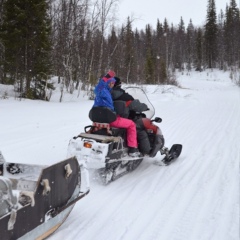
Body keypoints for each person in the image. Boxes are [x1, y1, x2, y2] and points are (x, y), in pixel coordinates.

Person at [92, 71, 140, 157]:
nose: (112, 85)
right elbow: (99, 86)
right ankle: (133, 149)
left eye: (113, 83)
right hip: (109, 119)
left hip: (101, 117)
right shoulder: (102, 91)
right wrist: (106, 77)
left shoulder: (108, 92)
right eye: (111, 83)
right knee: (132, 124)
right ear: (107, 83)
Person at [111, 77, 152, 155]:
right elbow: (136, 106)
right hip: (119, 120)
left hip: (106, 119)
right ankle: (136, 149)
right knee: (139, 129)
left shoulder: (106, 94)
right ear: (118, 85)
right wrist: (145, 107)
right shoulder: (124, 97)